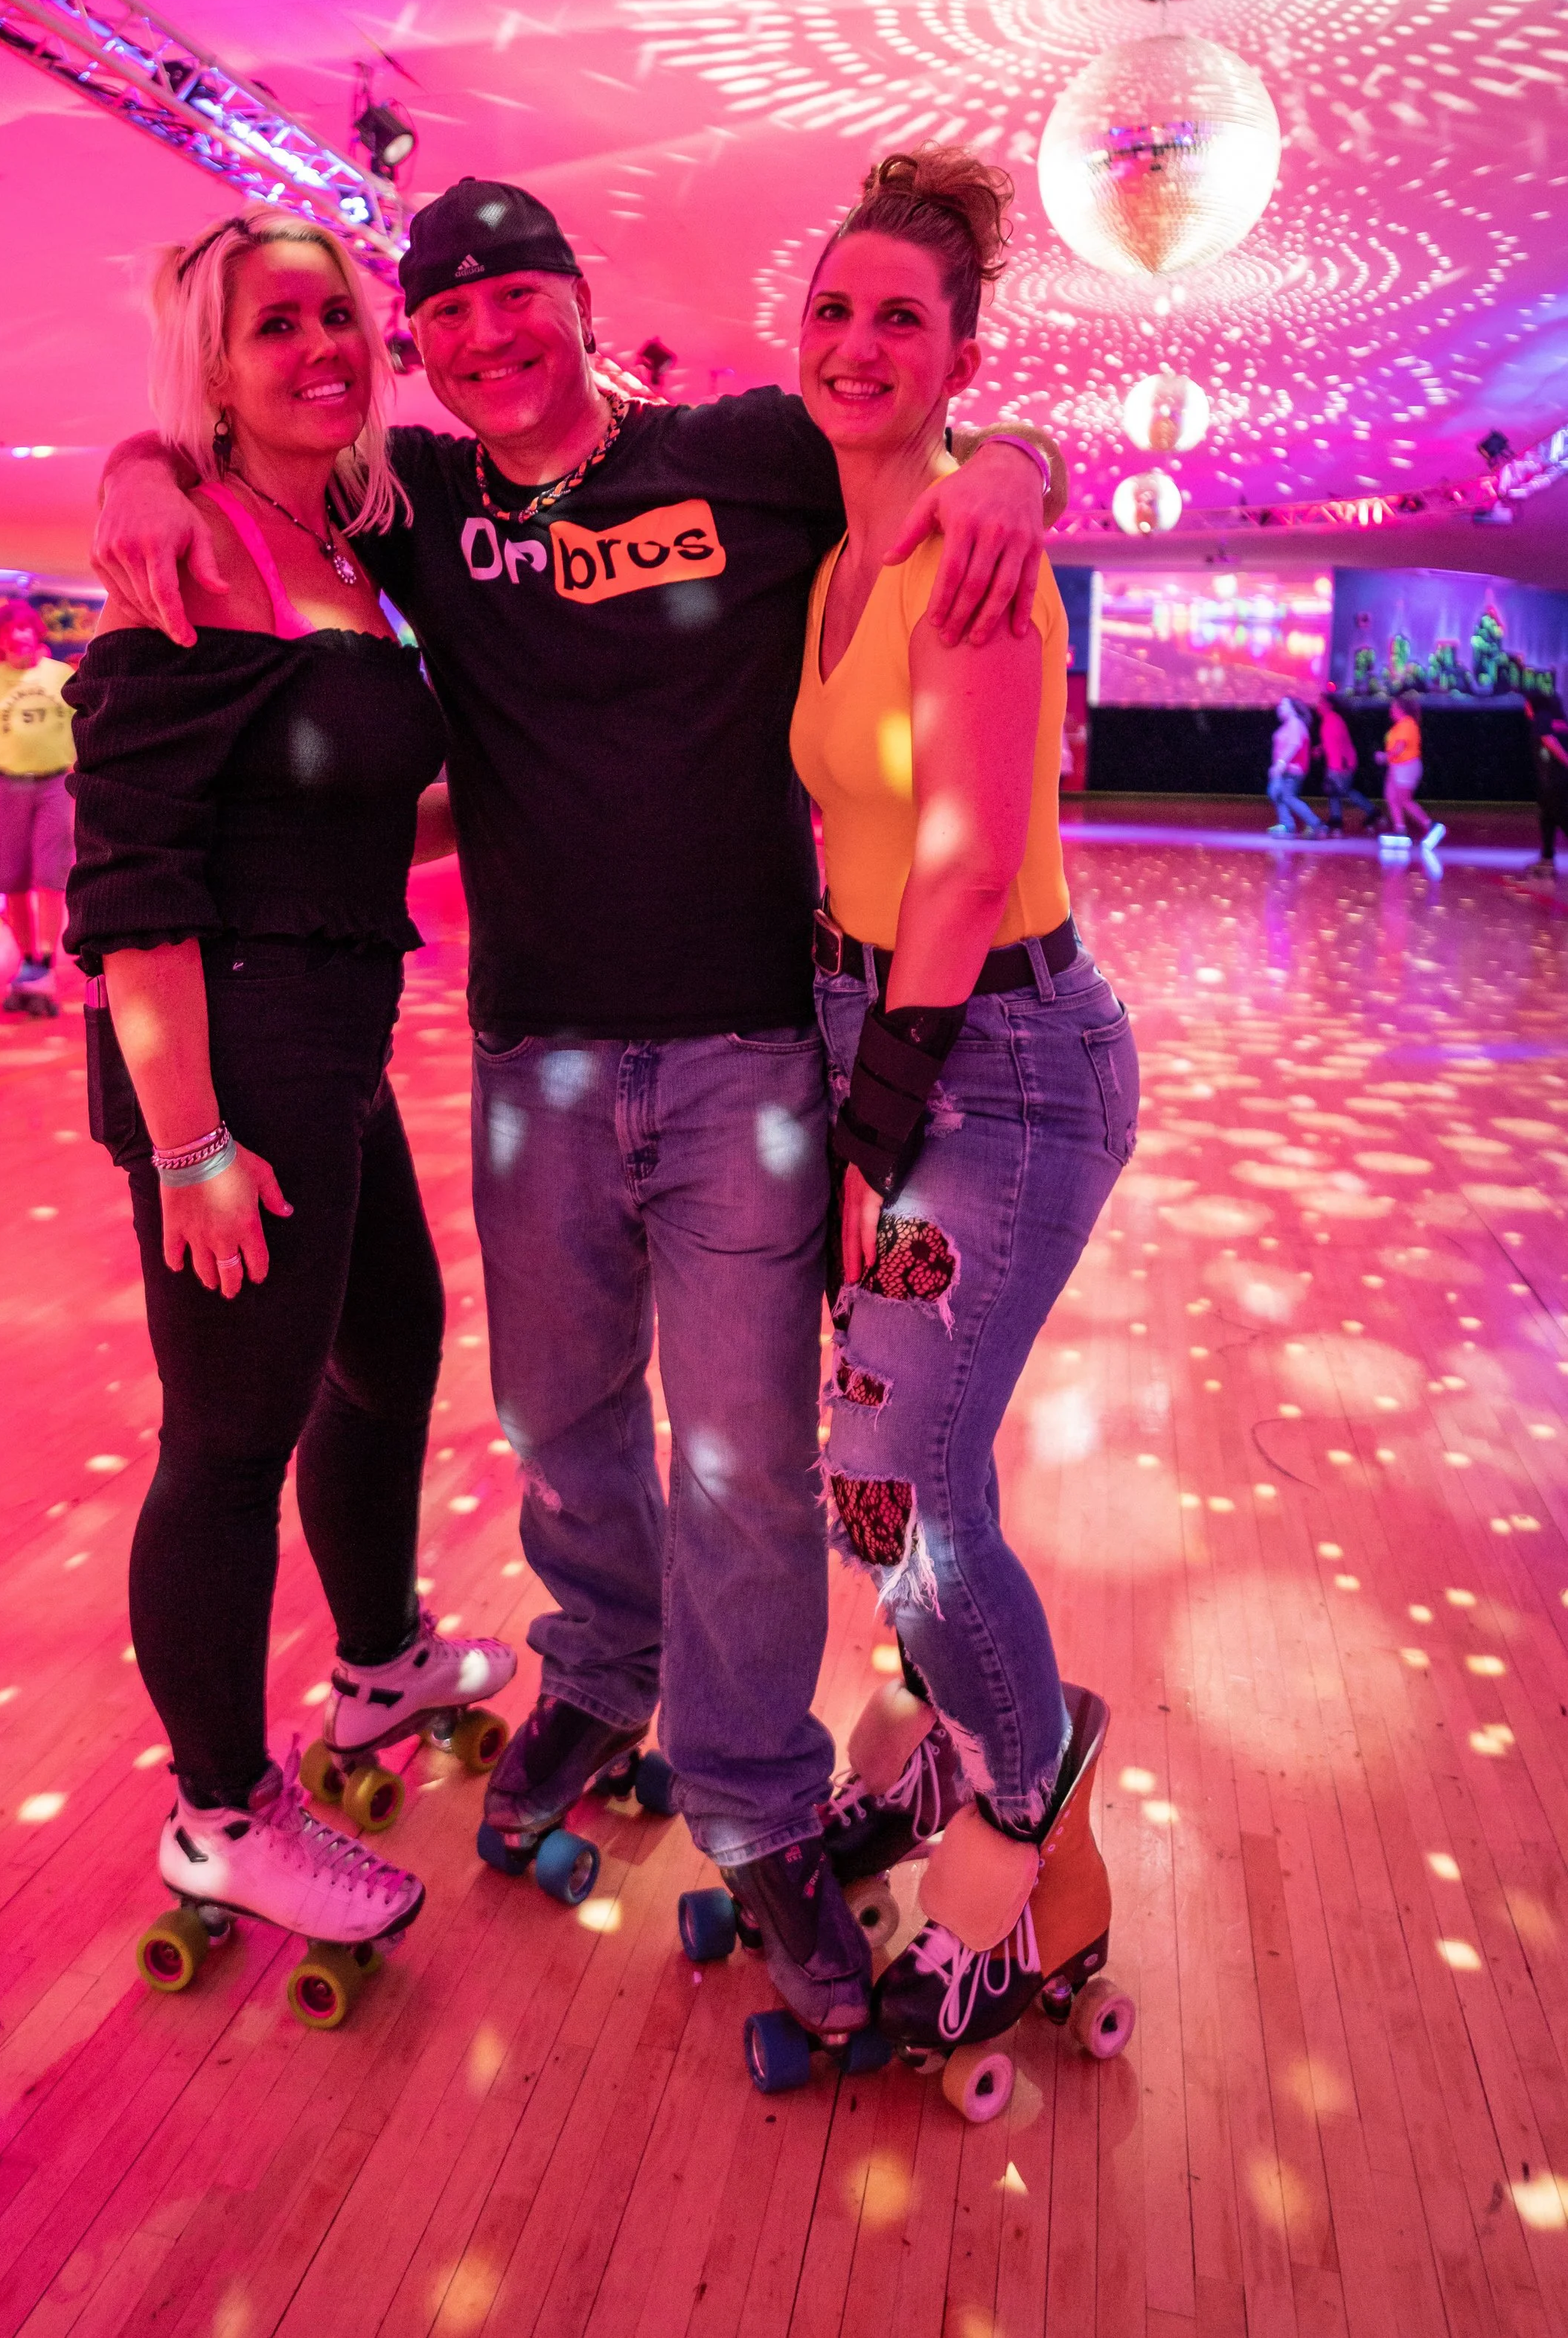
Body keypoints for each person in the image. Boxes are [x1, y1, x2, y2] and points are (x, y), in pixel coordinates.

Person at [94, 175, 1063, 2043]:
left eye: (513, 295)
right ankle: (600, 1669)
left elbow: (913, 419)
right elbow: (230, 442)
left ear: (576, 301)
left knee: (748, 1462)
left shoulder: (753, 449)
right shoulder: (422, 504)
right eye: (440, 316)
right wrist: (142, 462)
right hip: (531, 1058)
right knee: (555, 1419)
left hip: (743, 1062)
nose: (477, 337)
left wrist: (1015, 452)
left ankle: (761, 1800)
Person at [64, 209, 513, 1972]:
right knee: (225, 1437)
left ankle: (382, 1657)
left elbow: (343, 816)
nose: (326, 346)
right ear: (215, 370)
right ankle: (221, 1814)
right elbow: (136, 881)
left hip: (329, 1030)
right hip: (228, 1059)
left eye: (342, 316)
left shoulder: (341, 538)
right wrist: (187, 1144)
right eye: (279, 327)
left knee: (386, 1343)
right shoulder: (187, 550)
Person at [787, 146, 1133, 2076]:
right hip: (883, 1039)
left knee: (898, 1467)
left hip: (992, 1062)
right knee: (882, 1476)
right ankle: (957, 1749)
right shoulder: (827, 552)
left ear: (958, 354)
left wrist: (864, 1131)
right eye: (832, 308)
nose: (855, 343)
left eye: (897, 317)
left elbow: (961, 850)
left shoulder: (973, 558)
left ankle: (1019, 1786)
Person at [0, 604, 77, 1013]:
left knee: (51, 873)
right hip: (5, 784)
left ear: (36, 632)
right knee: (13, 879)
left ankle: (44, 960)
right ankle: (26, 959)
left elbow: (88, 732)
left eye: (25, 628)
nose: (19, 637)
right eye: (9, 631)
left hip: (57, 782)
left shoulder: (62, 676)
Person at [1382, 691, 1444, 852]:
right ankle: (1400, 830)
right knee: (1391, 797)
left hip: (1406, 766)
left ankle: (1431, 825)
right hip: (1397, 766)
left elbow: (1400, 747)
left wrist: (1384, 756)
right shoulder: (1400, 726)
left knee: (1404, 799)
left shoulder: (1407, 724)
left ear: (1401, 710)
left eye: (1394, 708)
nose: (1391, 711)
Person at [1518, 689, 1568, 884]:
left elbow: (1548, 739)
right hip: (1553, 781)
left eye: (1526, 703)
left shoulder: (1542, 718)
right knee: (1547, 819)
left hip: (1555, 782)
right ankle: (1547, 860)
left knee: (1562, 818)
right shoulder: (1558, 720)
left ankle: (1547, 860)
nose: (1524, 708)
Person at [1316, 686, 1375, 836]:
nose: (1318, 705)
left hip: (1341, 763)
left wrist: (1344, 763)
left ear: (1328, 705)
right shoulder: (1328, 720)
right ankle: (1338, 820)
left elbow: (1342, 743)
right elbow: (1331, 741)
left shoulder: (1334, 720)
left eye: (1321, 703)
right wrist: (1321, 748)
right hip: (1335, 763)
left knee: (1339, 791)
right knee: (1337, 792)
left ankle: (1371, 813)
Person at [1266, 697, 1321, 838]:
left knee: (1288, 796)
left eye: (1283, 705)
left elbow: (1294, 745)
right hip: (1284, 770)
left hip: (1292, 769)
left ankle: (1315, 824)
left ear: (1293, 708)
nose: (1280, 708)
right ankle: (1287, 825)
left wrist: (1281, 763)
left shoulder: (1295, 724)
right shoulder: (1288, 725)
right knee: (1277, 793)